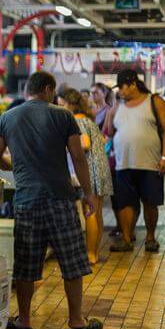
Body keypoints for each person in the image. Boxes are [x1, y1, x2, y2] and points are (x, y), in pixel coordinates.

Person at [0, 71, 102, 329]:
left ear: (28, 90)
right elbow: (78, 158)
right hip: (60, 198)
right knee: (71, 262)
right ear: (49, 89)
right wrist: (88, 193)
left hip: (27, 200)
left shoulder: (7, 117)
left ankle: (25, 320)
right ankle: (76, 321)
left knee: (27, 265)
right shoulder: (63, 115)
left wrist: (17, 169)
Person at [105, 69, 165, 253]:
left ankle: (150, 237)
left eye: (122, 87)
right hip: (123, 163)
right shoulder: (118, 106)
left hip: (150, 163)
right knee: (125, 202)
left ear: (133, 84)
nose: (120, 91)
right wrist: (111, 112)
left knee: (150, 202)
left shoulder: (154, 102)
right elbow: (110, 131)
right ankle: (127, 239)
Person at [59, 88, 113, 265]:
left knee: (89, 212)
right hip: (100, 169)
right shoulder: (87, 119)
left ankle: (90, 254)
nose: (60, 109)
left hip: (91, 170)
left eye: (61, 105)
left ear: (69, 104)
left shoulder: (77, 120)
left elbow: (84, 144)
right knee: (96, 214)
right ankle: (94, 252)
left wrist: (63, 148)